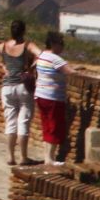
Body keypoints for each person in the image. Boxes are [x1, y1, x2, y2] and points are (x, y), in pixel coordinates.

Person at [0, 18, 40, 167]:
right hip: (23, 86)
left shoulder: (3, 46)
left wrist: (2, 66)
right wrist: (31, 67)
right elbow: (41, 55)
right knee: (24, 122)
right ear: (24, 31)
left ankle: (10, 156)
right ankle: (24, 157)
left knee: (10, 122)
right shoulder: (28, 46)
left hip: (7, 87)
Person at [34, 30, 71, 165]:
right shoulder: (56, 59)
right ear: (54, 44)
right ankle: (50, 158)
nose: (62, 47)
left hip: (40, 95)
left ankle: (47, 157)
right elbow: (69, 71)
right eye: (61, 44)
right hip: (53, 97)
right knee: (54, 126)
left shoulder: (42, 55)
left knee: (47, 126)